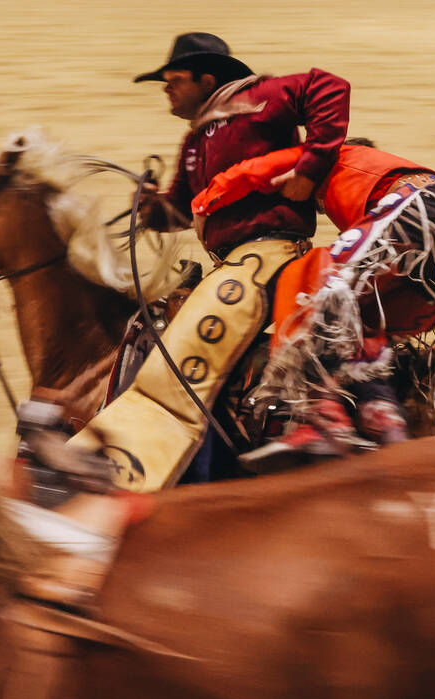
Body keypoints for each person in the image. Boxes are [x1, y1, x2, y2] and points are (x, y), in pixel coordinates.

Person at [19, 32, 351, 495]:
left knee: (184, 352)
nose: (165, 88)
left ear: (206, 78)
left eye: (173, 79)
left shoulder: (260, 98)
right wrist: (152, 207)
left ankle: (163, 480)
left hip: (268, 252)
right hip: (231, 263)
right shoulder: (194, 141)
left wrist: (312, 166)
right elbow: (180, 209)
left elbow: (329, 87)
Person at [190, 138, 435, 465]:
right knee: (355, 318)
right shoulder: (371, 191)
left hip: (423, 211)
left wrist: (203, 204)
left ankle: (321, 418)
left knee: (309, 277)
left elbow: (254, 169)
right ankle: (382, 414)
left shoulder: (329, 154)